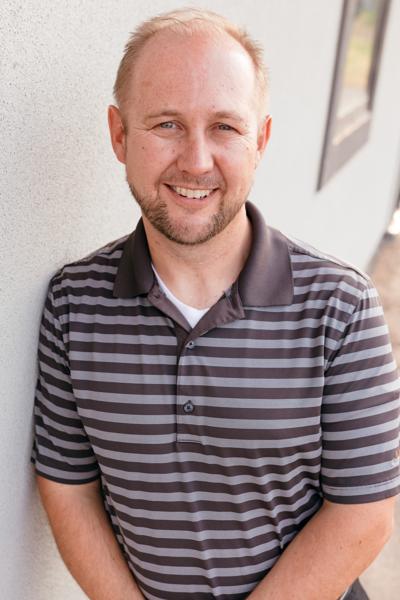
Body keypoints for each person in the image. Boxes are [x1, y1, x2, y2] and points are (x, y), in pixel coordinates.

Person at [31, 8, 400, 600]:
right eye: (167, 124)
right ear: (119, 135)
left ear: (261, 141)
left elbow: (364, 514)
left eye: (225, 126)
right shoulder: (73, 305)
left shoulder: (341, 307)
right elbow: (67, 487)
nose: (197, 161)